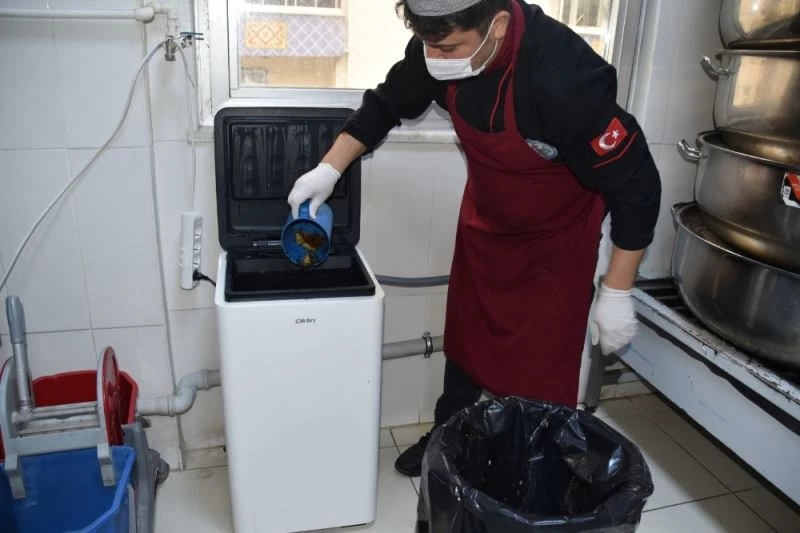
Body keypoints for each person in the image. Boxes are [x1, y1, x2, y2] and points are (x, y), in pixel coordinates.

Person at [287, 0, 661, 478]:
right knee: (466, 345)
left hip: (556, 242)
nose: (435, 58)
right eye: (427, 45)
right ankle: (449, 438)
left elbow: (637, 186)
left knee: (541, 367)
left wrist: (617, 290)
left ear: (497, 25)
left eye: (448, 48)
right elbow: (385, 104)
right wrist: (329, 168)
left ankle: (530, 467)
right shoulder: (436, 47)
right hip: (486, 225)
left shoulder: (563, 77)